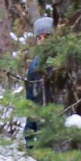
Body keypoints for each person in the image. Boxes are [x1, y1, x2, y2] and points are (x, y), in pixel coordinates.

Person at [24, 12, 54, 140]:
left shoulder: (65, 62)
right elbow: (31, 99)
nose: (43, 41)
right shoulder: (34, 65)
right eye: (39, 38)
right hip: (42, 126)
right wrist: (29, 132)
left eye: (47, 37)